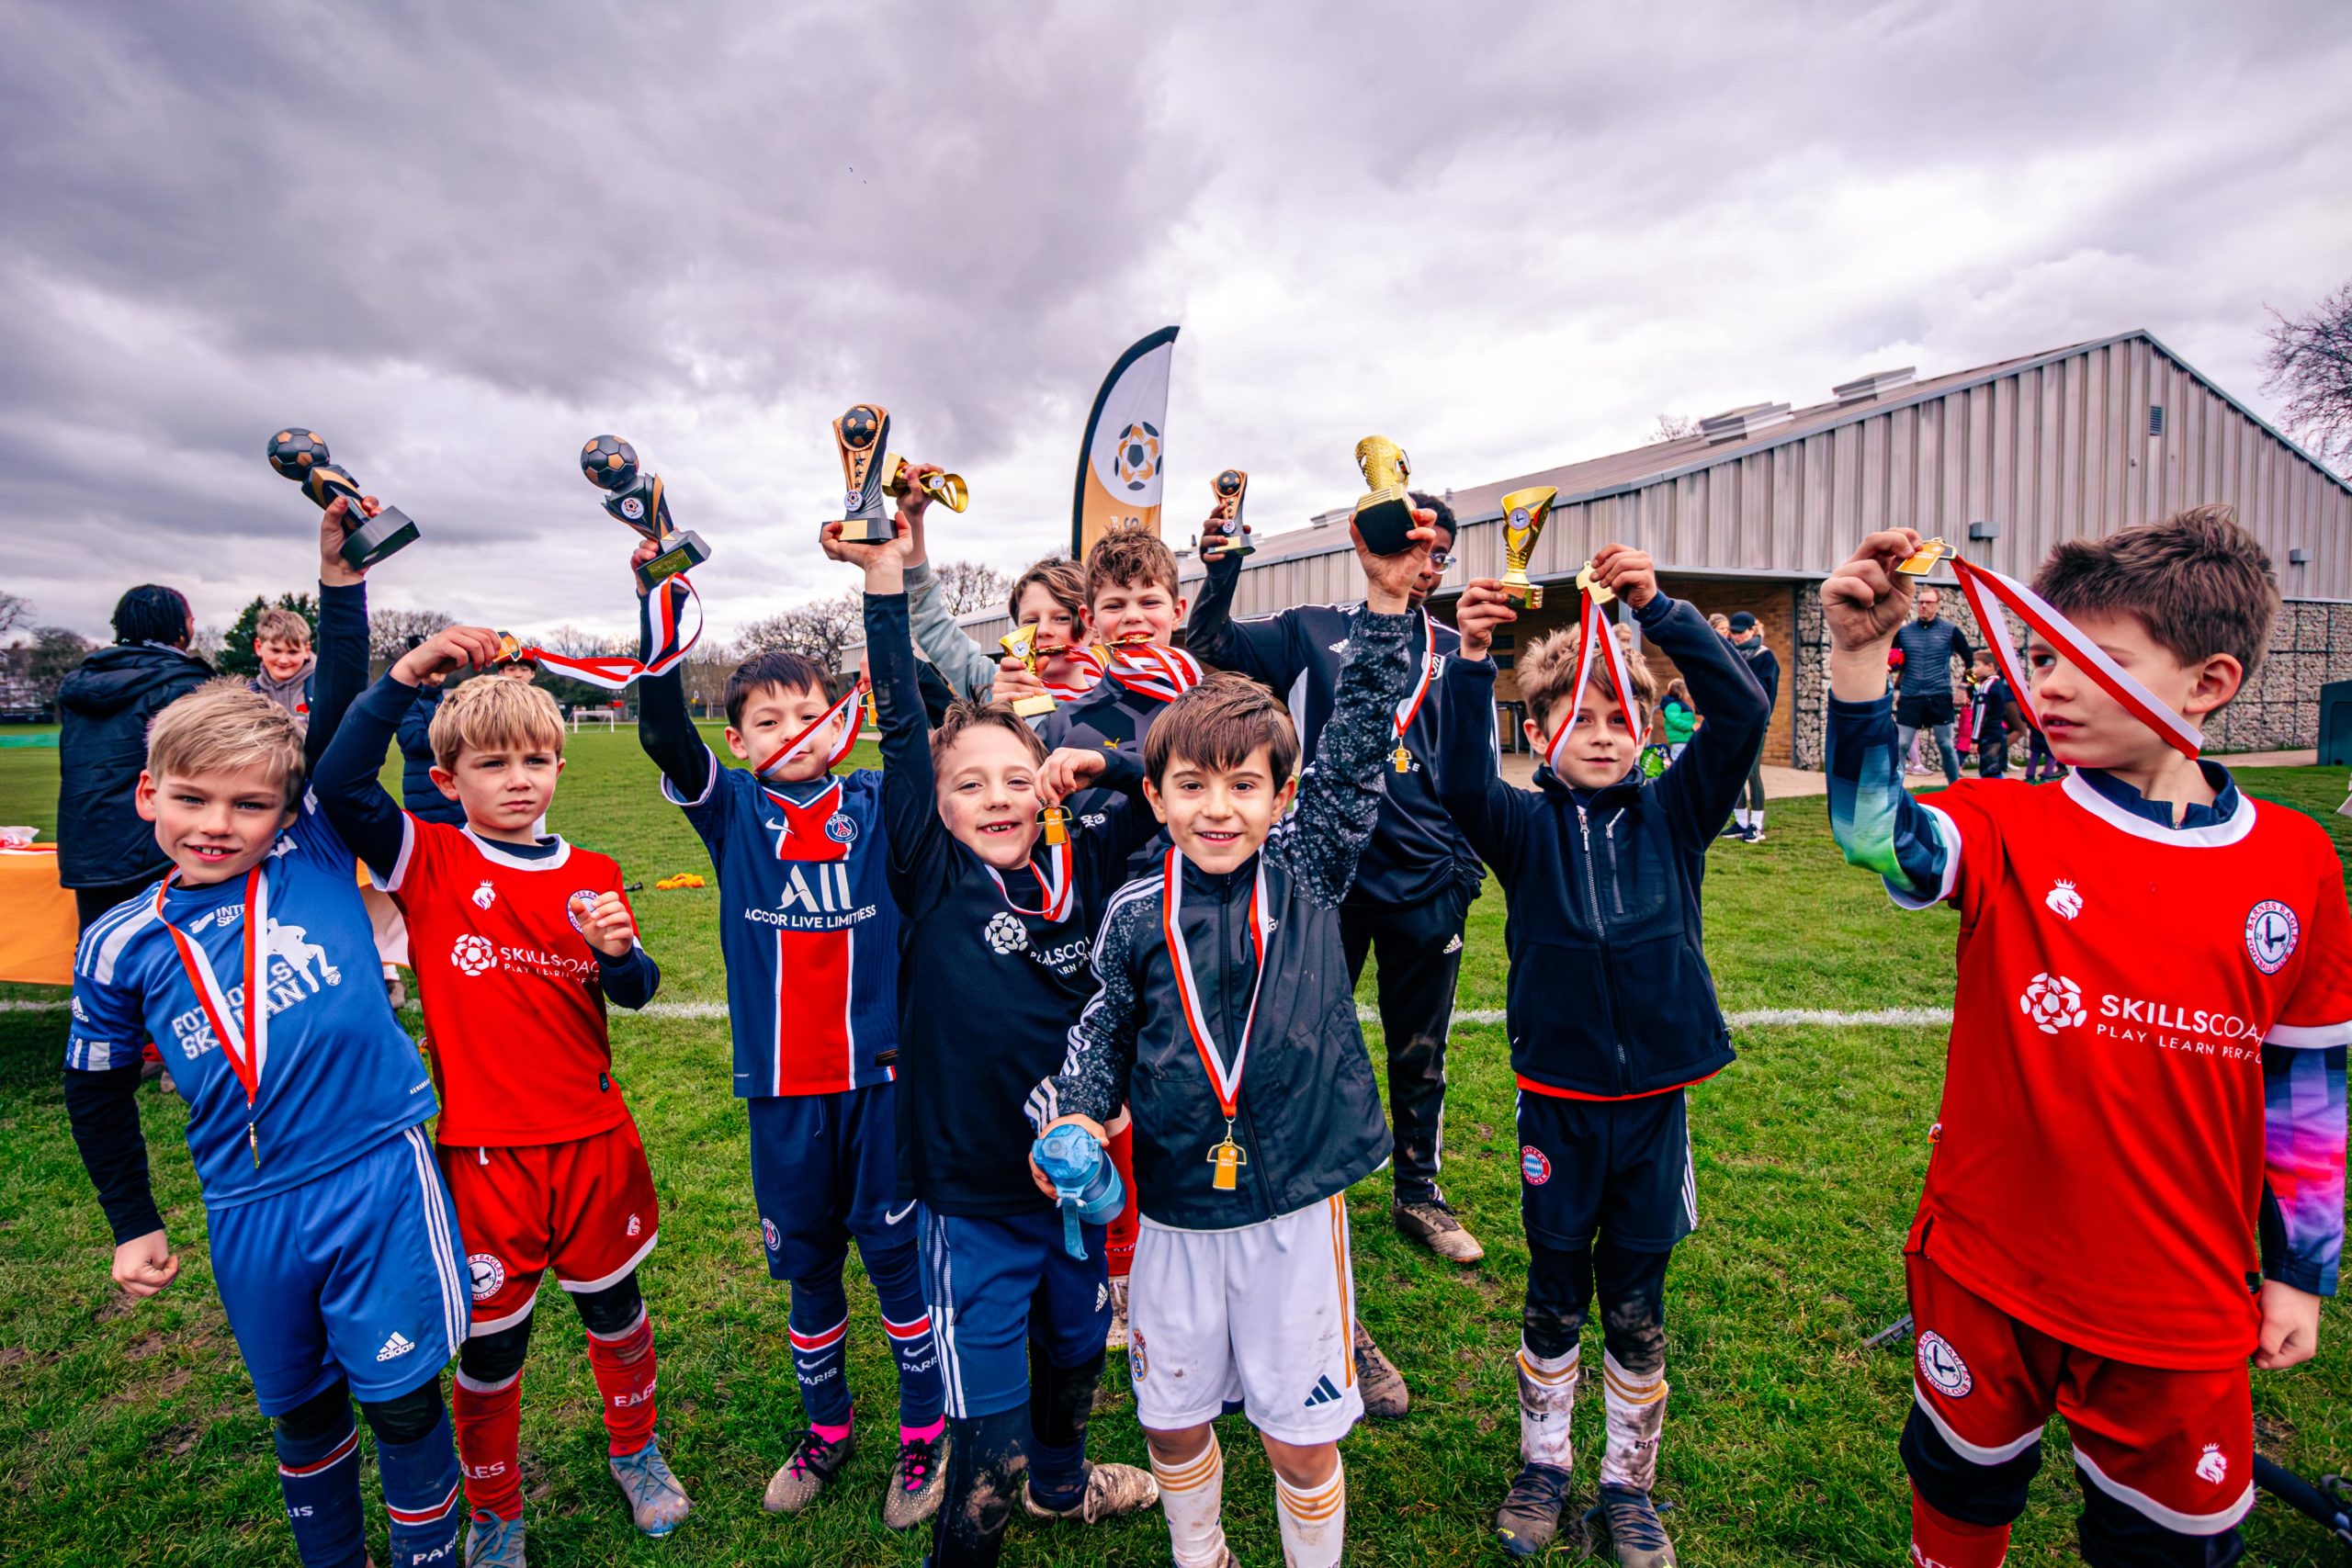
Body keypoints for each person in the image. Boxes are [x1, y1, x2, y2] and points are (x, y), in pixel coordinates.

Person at [1820, 507, 2350, 1568]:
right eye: (2040, 655)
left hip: (2181, 1300)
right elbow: (1872, 832)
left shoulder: (2295, 863)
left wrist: (2300, 1269)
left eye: (2087, 663)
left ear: (2206, 685)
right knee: (1961, 1496)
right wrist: (1858, 660)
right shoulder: (2010, 822)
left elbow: (2308, 1088)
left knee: (2161, 1546)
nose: (2044, 685)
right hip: (1986, 1269)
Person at [62, 496, 469, 1568]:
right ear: (148, 795)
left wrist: (342, 587)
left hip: (376, 1171)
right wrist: (131, 1220)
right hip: (244, 1206)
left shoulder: (316, 850)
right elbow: (95, 1091)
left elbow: (332, 720)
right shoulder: (118, 942)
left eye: (249, 806)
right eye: (192, 799)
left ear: (284, 814)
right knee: (301, 1417)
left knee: (402, 1403)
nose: (217, 826)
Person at [1027, 514, 1438, 1568]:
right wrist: (1076, 1108)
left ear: (1280, 797)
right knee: (1170, 1419)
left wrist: (1387, 606)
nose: (1219, 809)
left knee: (1299, 1439)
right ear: (1154, 797)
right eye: (1194, 788)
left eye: (1244, 785)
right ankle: (1200, 1555)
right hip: (1171, 1203)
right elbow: (1103, 1027)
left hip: (1294, 1201)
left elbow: (1355, 742)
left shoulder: (1306, 873)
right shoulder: (1131, 910)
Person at [313, 623, 687, 1562]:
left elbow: (636, 992)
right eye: (491, 763)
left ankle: (636, 1454)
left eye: (537, 759)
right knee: (492, 1349)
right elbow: (338, 784)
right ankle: (495, 1508)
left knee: (614, 1308)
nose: (519, 779)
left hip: (593, 1138)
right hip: (484, 1158)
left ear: (559, 765)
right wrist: (403, 675)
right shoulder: (428, 862)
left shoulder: (593, 874)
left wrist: (620, 955)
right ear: (448, 783)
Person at [1439, 548, 1769, 1566]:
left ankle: (1628, 1487)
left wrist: (1656, 610)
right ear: (1536, 733)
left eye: (1619, 718)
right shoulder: (1523, 827)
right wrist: (1470, 657)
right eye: (1578, 719)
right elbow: (1455, 774)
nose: (1601, 735)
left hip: (1653, 1109)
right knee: (1551, 1289)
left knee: (1635, 1302)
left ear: (1645, 731)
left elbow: (1743, 715)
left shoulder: (1676, 814)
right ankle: (1543, 1465)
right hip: (1557, 1107)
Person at [844, 518, 1160, 1567]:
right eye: (967, 784)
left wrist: (1094, 767)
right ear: (933, 808)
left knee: (1076, 1340)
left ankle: (1061, 1486)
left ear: (1046, 789)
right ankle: (976, 1521)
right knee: (985, 1429)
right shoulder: (930, 876)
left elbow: (1164, 780)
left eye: (1013, 779)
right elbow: (900, 725)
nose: (994, 797)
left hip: (1074, 1188)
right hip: (975, 1192)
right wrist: (886, 587)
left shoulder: (1085, 876)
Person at [630, 549, 947, 1529]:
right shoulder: (731, 810)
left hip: (881, 1084)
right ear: (737, 737)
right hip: (782, 1090)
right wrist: (653, 594)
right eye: (765, 721)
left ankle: (924, 1438)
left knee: (899, 1271)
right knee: (808, 1273)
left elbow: (908, 720)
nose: (790, 732)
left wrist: (883, 588)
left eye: (806, 713)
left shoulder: (875, 803)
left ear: (836, 715)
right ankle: (827, 1429)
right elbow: (658, 728)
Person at [1188, 492, 1487, 1292]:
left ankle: (1419, 1194)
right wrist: (1222, 569)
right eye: (1411, 544)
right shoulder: (1312, 627)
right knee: (1302, 1039)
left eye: (1439, 552)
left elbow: (1477, 768)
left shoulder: (1461, 647)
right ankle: (1309, 1186)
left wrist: (1463, 867)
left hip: (1426, 879)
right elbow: (1209, 644)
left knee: (1420, 1049)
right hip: (1325, 878)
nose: (1425, 563)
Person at [876, 467, 1101, 716]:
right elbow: (930, 622)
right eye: (1031, 620)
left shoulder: (1124, 693)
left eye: (1061, 618)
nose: (1044, 631)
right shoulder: (991, 683)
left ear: (1092, 626)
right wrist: (912, 518)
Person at [54, 583, 212, 929]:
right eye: (189, 619)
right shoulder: (184, 684)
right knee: (172, 962)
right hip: (159, 849)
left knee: (101, 958)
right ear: (178, 627)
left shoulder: (81, 684)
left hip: (86, 847)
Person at [1891, 586, 1972, 786]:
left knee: (1945, 745)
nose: (1924, 606)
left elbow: (1972, 663)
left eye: (1929, 602)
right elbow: (1892, 659)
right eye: (1921, 602)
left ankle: (1955, 788)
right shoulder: (1904, 633)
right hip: (1911, 695)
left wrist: (1964, 687)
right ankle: (1896, 792)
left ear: (1937, 605)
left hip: (1939, 695)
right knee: (1901, 744)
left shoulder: (1950, 631)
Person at [396, 637, 466, 829]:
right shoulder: (409, 701)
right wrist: (462, 729)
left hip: (454, 791)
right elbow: (415, 741)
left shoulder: (446, 699)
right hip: (426, 793)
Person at [1723, 613, 1778, 842]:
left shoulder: (1765, 658)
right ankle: (1740, 822)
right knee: (1734, 772)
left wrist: (1759, 721)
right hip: (1732, 722)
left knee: (1752, 773)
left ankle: (1756, 825)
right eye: (1733, 632)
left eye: (1740, 632)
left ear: (1752, 630)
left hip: (1753, 724)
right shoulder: (1730, 655)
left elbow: (1768, 696)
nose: (1736, 636)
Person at [247, 606, 317, 723]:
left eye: (293, 652)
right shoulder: (249, 695)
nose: (283, 660)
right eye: (275, 651)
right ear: (258, 647)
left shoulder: (323, 689)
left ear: (306, 650)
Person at [1965, 650, 2023, 780]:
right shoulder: (1996, 684)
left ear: (1990, 666)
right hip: (1997, 733)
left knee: (1989, 773)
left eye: (1976, 665)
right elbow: (1974, 690)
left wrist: (1974, 739)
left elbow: (1981, 715)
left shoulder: (1986, 687)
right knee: (1994, 770)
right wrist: (1970, 678)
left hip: (1988, 735)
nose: (1973, 669)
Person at [1659, 680, 1697, 763]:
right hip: (1680, 740)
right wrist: (1691, 726)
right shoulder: (1672, 705)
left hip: (1686, 739)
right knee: (1679, 761)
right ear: (1681, 693)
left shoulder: (1680, 705)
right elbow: (1675, 721)